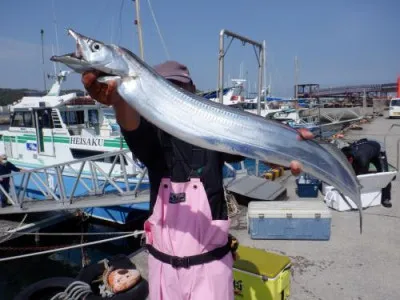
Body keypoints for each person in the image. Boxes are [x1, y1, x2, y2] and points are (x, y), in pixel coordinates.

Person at [82, 60, 313, 300]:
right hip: (164, 272)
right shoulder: (151, 135)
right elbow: (130, 126)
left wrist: (283, 153)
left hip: (211, 271)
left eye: (180, 88)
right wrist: (119, 100)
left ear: (192, 90)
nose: (174, 96)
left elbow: (250, 144)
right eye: (166, 89)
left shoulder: (213, 130)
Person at [341, 138, 392, 208]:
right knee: (355, 172)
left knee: (385, 175)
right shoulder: (348, 150)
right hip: (365, 147)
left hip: (378, 150)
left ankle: (386, 198)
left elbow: (362, 177)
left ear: (350, 159)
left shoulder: (362, 159)